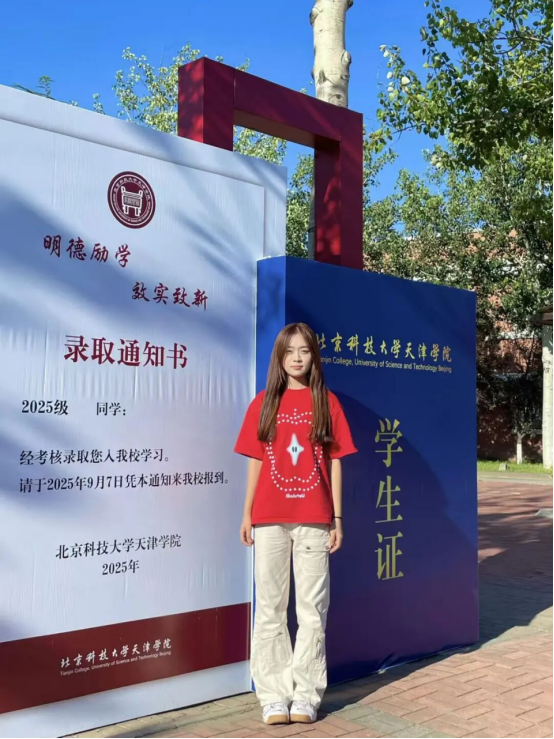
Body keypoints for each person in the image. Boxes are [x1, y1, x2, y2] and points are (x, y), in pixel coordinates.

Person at [235, 322, 357, 726]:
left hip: (315, 520)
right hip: (269, 520)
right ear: (280, 357)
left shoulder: (327, 402)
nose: (298, 358)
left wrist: (337, 518)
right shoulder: (264, 403)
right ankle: (273, 696)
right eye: (290, 351)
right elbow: (255, 461)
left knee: (312, 611)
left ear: (314, 356)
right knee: (270, 608)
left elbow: (336, 462)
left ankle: (306, 695)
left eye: (305, 351)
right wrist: (247, 513)